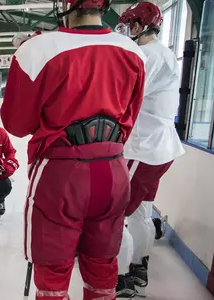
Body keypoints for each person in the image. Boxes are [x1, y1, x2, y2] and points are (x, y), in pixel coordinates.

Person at [1, 0, 147, 297]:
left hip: (60, 174)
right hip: (113, 170)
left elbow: (16, 124)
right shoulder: (133, 52)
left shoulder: (36, 50)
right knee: (102, 264)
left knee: (53, 270)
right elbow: (131, 116)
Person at [115, 2, 185, 298]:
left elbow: (125, 97)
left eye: (131, 25)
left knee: (115, 216)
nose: (128, 31)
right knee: (143, 212)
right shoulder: (165, 52)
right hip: (161, 150)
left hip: (144, 149)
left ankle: (120, 278)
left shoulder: (148, 55)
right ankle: (138, 264)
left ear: (141, 25)